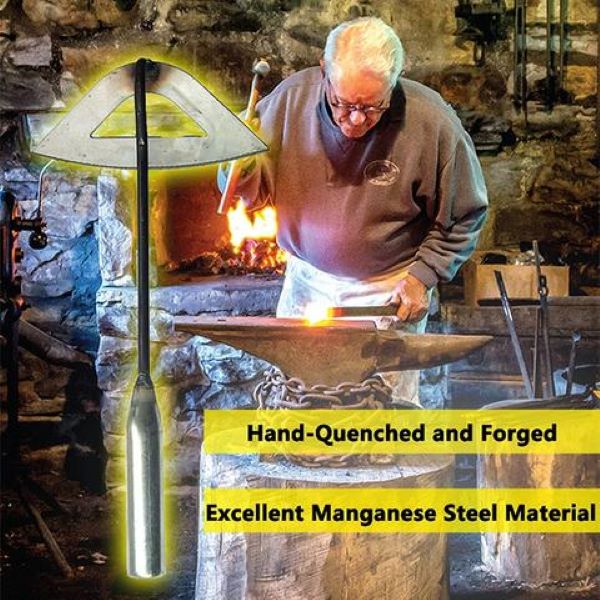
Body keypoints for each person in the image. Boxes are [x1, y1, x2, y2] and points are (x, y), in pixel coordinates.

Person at [219, 16, 488, 405]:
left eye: (373, 106)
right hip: (306, 284)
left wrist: (423, 276)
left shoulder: (433, 123)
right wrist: (235, 168)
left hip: (387, 291)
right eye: (343, 104)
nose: (356, 119)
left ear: (395, 81)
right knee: (299, 407)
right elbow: (247, 193)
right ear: (324, 71)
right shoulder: (287, 104)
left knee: (381, 416)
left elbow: (465, 214)